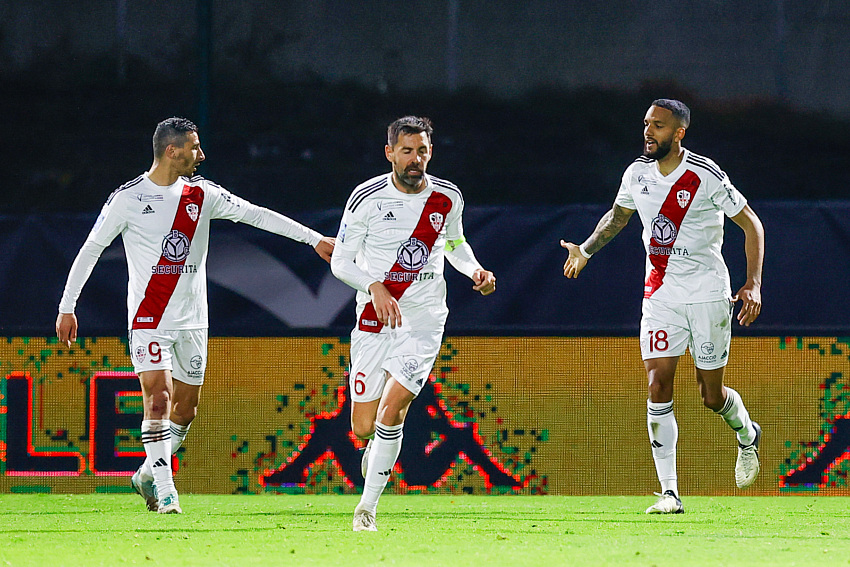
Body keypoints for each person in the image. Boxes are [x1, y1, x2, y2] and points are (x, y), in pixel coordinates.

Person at [56, 117, 334, 514]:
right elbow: (90, 250)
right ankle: (167, 492)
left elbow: (258, 215)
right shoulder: (128, 198)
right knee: (158, 401)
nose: (200, 155)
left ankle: (147, 473)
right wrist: (68, 305)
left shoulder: (202, 195)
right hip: (149, 317)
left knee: (184, 411)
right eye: (194, 147)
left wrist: (314, 238)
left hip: (193, 321)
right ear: (172, 150)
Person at [561, 99, 764, 514]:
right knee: (658, 385)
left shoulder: (704, 175)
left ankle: (747, 433)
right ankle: (669, 492)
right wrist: (584, 250)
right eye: (646, 124)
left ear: (679, 133)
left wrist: (754, 284)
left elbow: (752, 224)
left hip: (708, 293)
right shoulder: (636, 173)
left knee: (710, 396)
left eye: (658, 126)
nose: (648, 132)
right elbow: (617, 218)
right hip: (660, 296)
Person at [330, 116, 496, 531]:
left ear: (430, 152)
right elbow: (340, 261)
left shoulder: (447, 197)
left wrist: (474, 270)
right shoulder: (366, 197)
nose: (415, 159)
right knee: (363, 426)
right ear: (390, 153)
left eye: (422, 151)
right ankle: (375, 451)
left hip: (423, 319)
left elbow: (455, 244)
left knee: (394, 409)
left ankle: (366, 508)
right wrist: (374, 286)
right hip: (373, 317)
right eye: (406, 151)